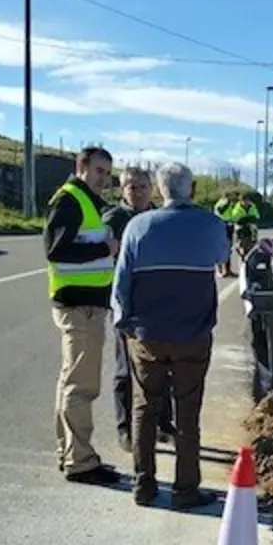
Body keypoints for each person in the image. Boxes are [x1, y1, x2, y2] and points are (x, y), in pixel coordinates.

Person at [111, 162, 230, 509]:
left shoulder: (137, 226)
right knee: (187, 412)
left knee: (144, 408)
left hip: (147, 335)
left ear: (161, 190)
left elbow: (122, 284)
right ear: (190, 190)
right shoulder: (211, 224)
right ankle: (185, 489)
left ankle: (143, 485)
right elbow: (222, 257)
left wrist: (125, 324)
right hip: (193, 335)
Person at [43, 146, 120, 485]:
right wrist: (105, 249)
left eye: (107, 172)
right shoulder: (70, 200)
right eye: (99, 171)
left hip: (83, 304)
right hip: (80, 306)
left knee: (70, 381)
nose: (104, 178)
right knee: (81, 385)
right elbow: (57, 250)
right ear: (82, 167)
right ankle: (81, 461)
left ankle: (70, 453)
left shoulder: (83, 200)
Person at [103, 166, 175, 452]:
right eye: (132, 187)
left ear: (152, 188)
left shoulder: (160, 218)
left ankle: (163, 422)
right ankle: (126, 429)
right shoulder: (113, 219)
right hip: (126, 303)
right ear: (123, 190)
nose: (138, 191)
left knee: (164, 364)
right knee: (125, 368)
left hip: (158, 303)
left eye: (143, 186)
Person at [213, 194, 235, 277]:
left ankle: (228, 270)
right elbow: (221, 211)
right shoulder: (220, 204)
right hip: (221, 225)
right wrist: (227, 204)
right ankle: (220, 270)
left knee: (228, 249)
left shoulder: (230, 204)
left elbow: (233, 214)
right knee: (220, 248)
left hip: (229, 226)